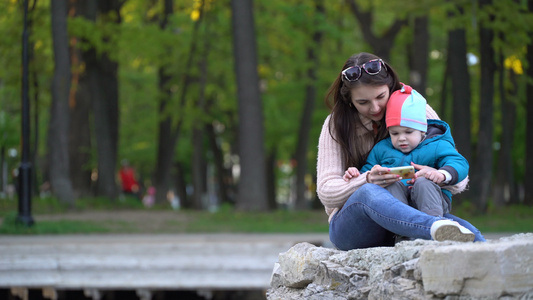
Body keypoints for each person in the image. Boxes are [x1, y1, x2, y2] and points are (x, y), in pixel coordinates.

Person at [316, 52, 485, 250]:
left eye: (380, 96)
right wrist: (365, 179)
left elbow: (458, 172)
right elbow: (326, 192)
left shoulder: (415, 108)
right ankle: (430, 228)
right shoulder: (336, 125)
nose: (375, 107)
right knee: (370, 192)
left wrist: (437, 175)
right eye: (363, 102)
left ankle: (430, 229)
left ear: (390, 87)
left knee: (471, 234)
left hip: (413, 211)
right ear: (349, 100)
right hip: (357, 225)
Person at [348, 84, 468, 218]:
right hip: (398, 202)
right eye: (395, 133)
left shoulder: (437, 145)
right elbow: (368, 171)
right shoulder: (382, 148)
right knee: (391, 185)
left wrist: (443, 174)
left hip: (433, 200)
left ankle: (433, 224)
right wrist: (357, 175)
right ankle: (403, 231)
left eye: (408, 132)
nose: (401, 138)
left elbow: (459, 162)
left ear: (423, 130)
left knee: (423, 183)